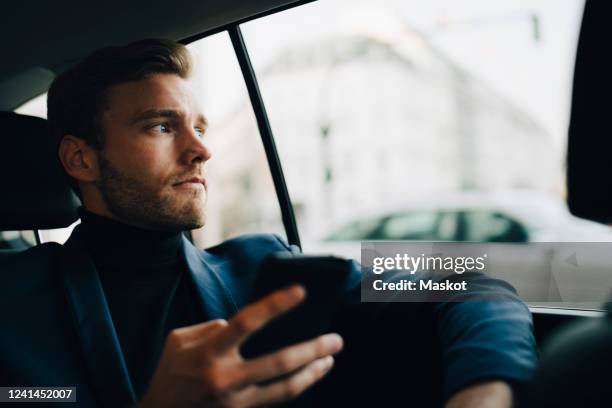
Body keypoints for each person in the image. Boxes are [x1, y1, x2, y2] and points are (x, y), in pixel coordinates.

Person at [0, 39, 536, 407]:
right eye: (161, 126)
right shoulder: (11, 307)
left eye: (200, 127)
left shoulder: (260, 271)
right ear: (81, 159)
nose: (201, 150)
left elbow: (470, 284)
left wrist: (484, 390)